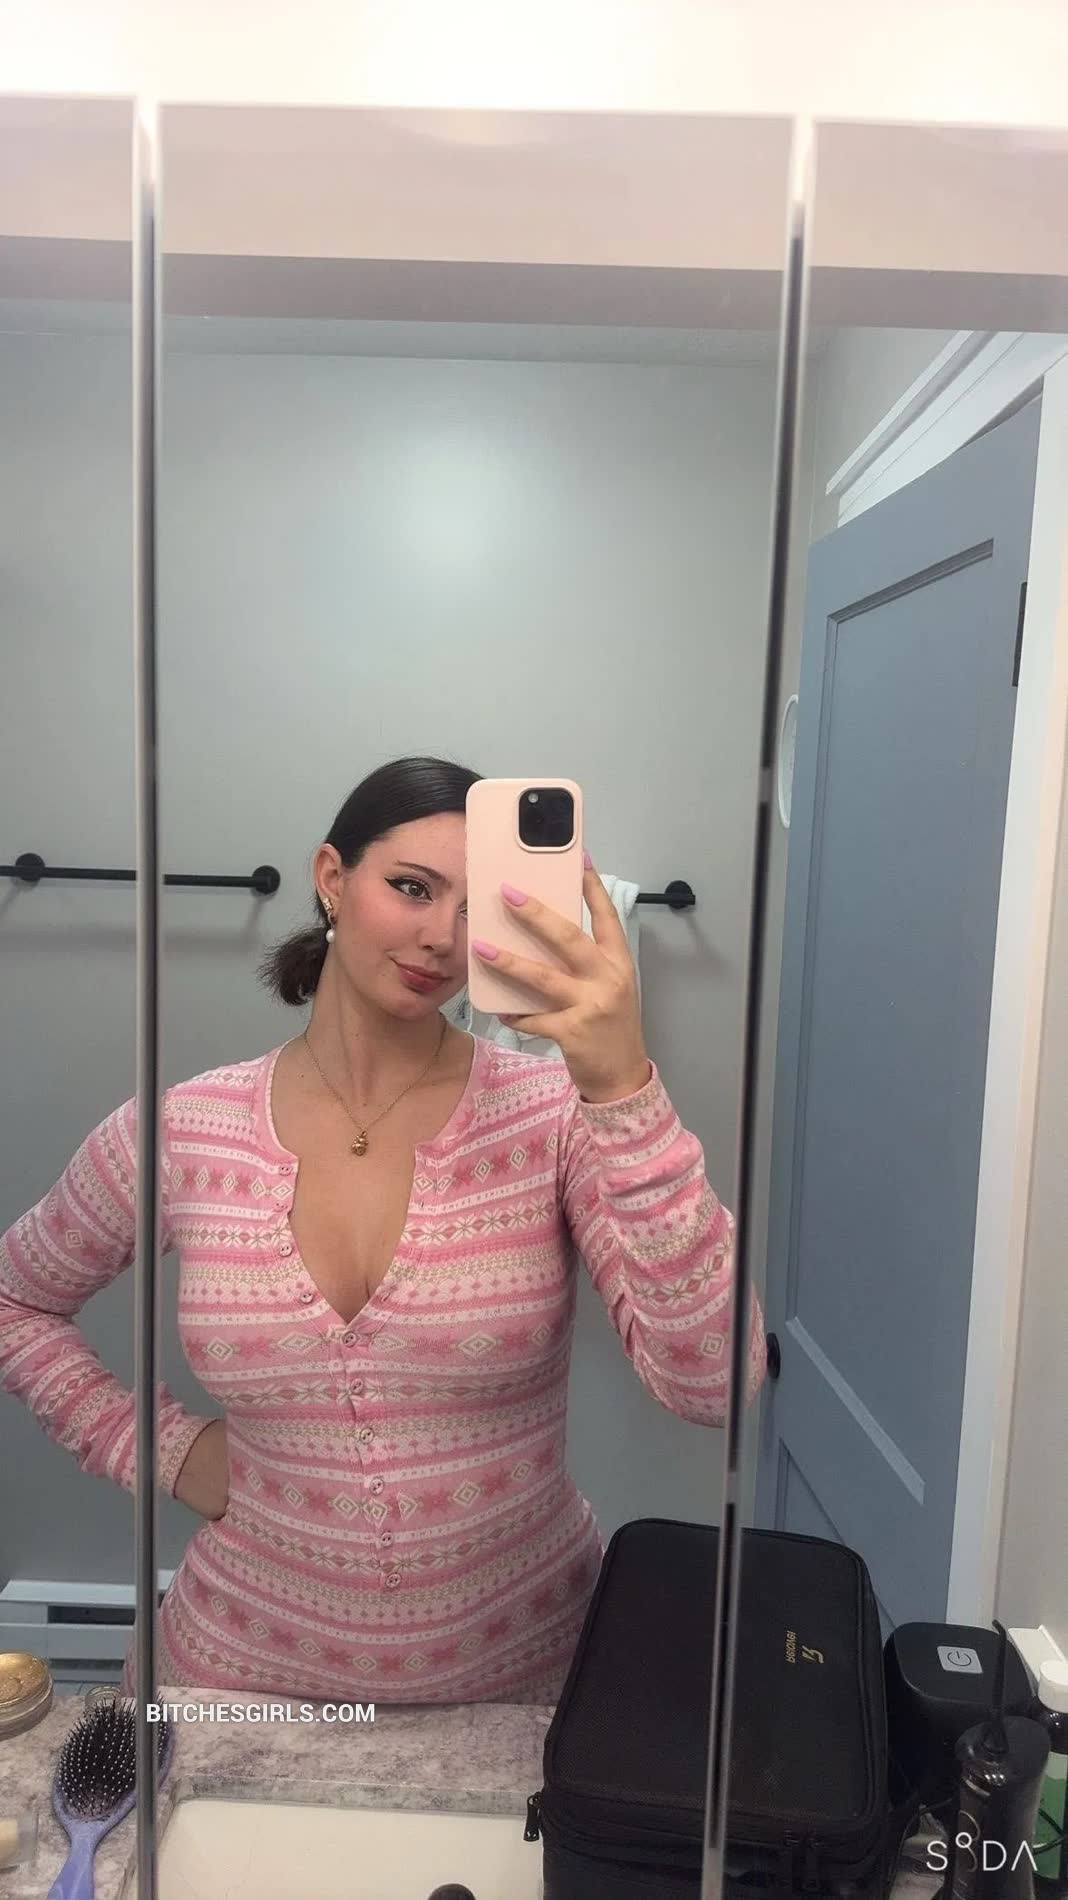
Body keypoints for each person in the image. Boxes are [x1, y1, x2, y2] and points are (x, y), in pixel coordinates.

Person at [0, 755, 765, 1704]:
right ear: (332, 877)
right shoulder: (182, 1131)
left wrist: (621, 1088)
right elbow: (15, 1299)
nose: (442, 937)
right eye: (411, 888)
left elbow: (714, 1383)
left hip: (525, 1687)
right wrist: (162, 1448)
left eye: (478, 909)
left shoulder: (558, 1118)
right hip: (239, 1681)